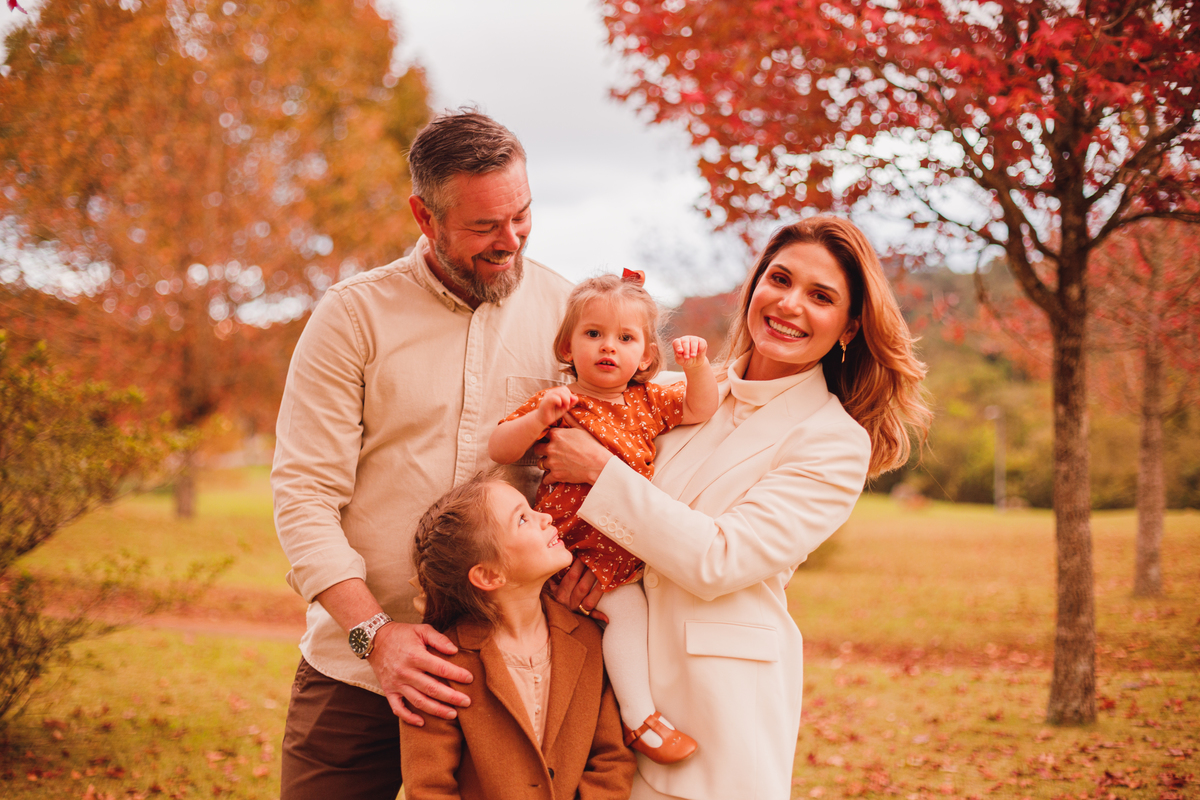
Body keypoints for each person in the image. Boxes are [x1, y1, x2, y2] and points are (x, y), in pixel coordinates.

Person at [540, 216, 932, 800]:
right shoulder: (677, 392)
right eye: (780, 279)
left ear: (850, 326)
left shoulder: (833, 442)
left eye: (821, 296)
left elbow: (719, 558)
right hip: (601, 692)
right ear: (755, 287)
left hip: (716, 708)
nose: (790, 304)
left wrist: (600, 472)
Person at [271, 109, 573, 800]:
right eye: (484, 226)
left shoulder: (568, 316)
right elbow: (305, 496)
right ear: (424, 215)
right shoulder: (352, 317)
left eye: (522, 215)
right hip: (355, 670)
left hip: (511, 678)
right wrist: (375, 638)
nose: (511, 242)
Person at [489, 270, 719, 765]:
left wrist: (697, 366)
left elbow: (701, 408)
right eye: (593, 333)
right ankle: (527, 733)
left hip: (615, 557)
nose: (608, 346)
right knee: (539, 641)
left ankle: (639, 719)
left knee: (629, 620)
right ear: (567, 347)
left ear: (647, 357)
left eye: (625, 338)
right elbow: (500, 447)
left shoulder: (648, 402)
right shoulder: (560, 402)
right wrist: (538, 418)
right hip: (556, 547)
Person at [400, 473, 637, 799]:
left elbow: (612, 760)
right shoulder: (440, 667)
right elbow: (429, 788)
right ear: (488, 575)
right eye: (523, 519)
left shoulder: (589, 640)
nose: (545, 517)